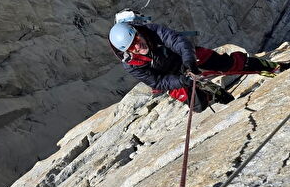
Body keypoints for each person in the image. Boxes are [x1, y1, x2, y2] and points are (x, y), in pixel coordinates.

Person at [108, 15, 277, 113]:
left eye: (136, 39)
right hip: (172, 77)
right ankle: (210, 91)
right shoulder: (131, 64)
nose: (138, 46)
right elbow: (157, 82)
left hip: (184, 58)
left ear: (137, 32)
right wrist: (182, 81)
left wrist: (189, 61)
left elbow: (178, 42)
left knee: (226, 64)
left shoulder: (152, 31)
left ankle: (264, 66)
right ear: (127, 51)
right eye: (132, 47)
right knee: (198, 106)